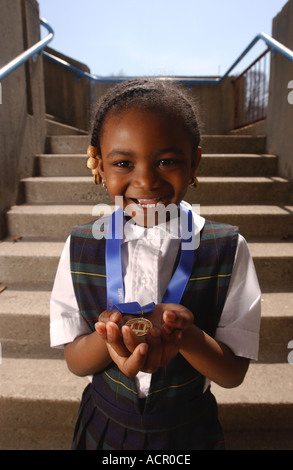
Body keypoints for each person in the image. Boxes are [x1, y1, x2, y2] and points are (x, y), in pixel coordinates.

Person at [50, 78, 261, 450]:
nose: (146, 180)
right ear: (98, 163)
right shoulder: (80, 246)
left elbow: (232, 374)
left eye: (166, 160)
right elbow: (75, 361)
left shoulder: (228, 249)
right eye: (123, 162)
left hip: (189, 431)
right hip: (104, 425)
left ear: (194, 161)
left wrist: (186, 337)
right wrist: (113, 336)